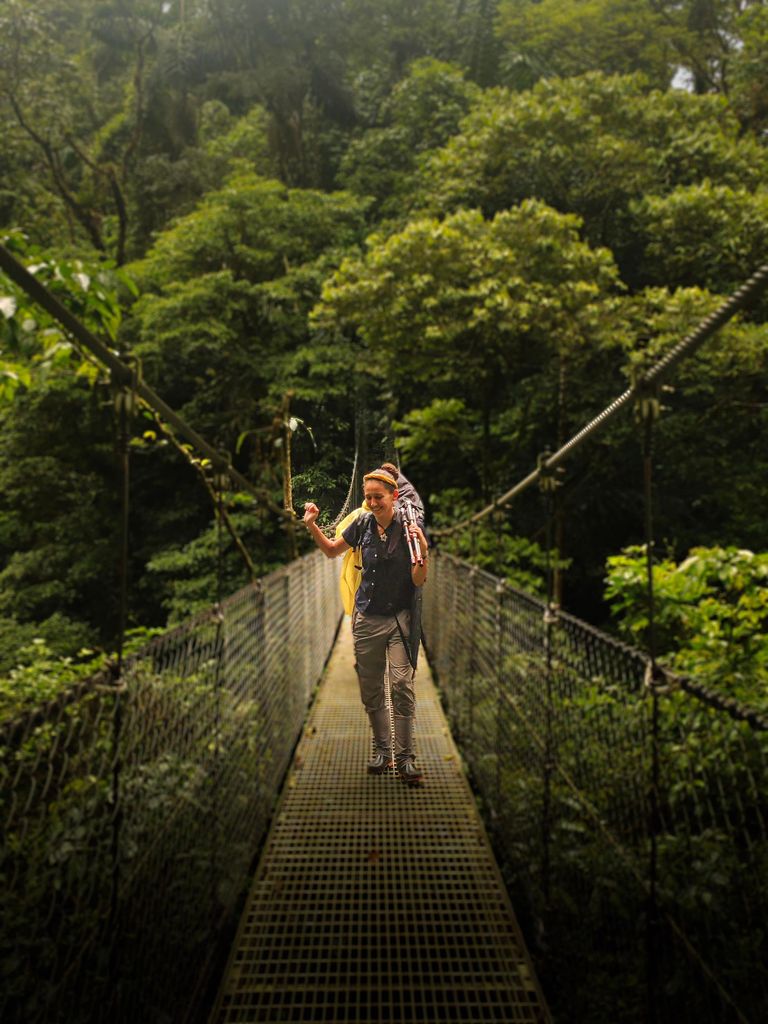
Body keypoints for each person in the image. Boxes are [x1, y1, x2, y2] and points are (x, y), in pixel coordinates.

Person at [303, 466, 429, 785]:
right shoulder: (362, 522)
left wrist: (423, 552)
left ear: (394, 496)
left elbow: (419, 579)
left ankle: (405, 759)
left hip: (399, 618)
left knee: (401, 685)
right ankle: (383, 751)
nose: (372, 503)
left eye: (378, 497)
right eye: (368, 497)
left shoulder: (409, 525)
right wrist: (312, 525)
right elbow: (331, 551)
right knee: (371, 688)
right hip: (367, 619)